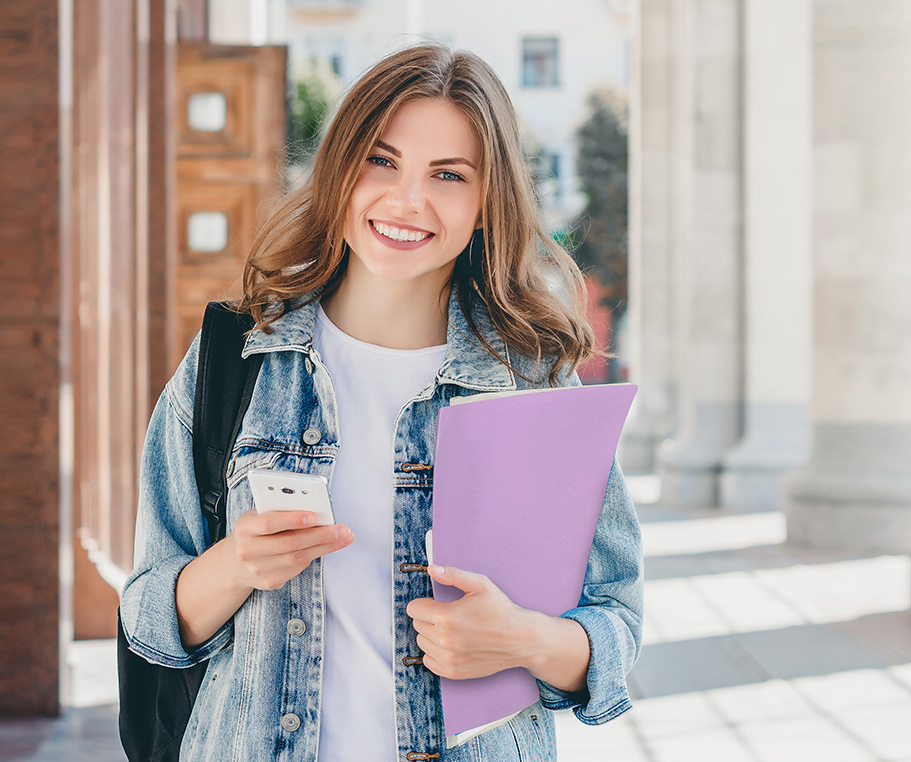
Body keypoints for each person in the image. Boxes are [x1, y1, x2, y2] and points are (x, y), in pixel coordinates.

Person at [120, 43, 642, 762]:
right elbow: (146, 613)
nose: (407, 200)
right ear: (340, 170)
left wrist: (524, 639)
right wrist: (235, 565)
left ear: (488, 201)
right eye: (381, 160)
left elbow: (615, 622)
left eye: (449, 174)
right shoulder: (234, 359)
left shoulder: (534, 382)